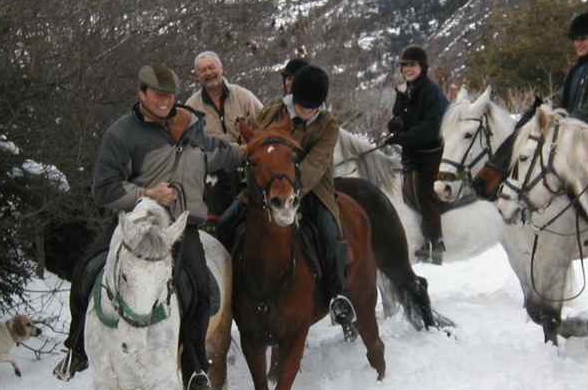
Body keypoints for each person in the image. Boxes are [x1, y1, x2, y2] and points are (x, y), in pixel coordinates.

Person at [54, 64, 243, 390]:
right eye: (157, 94)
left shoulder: (192, 128)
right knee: (88, 269)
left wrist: (259, 150)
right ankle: (76, 347)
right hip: (135, 226)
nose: (164, 101)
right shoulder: (121, 134)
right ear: (141, 94)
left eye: (169, 95)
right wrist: (146, 194)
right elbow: (104, 189)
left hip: (183, 228)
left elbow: (223, 154)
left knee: (200, 289)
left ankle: (195, 369)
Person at [218, 64, 357, 327]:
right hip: (266, 185)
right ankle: (226, 293)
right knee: (225, 222)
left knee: (330, 232)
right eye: (303, 106)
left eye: (312, 108)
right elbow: (254, 145)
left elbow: (317, 162)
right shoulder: (272, 110)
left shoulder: (328, 124)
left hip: (311, 187)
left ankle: (338, 295)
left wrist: (292, 190)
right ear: (292, 94)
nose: (306, 112)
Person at [385, 44, 449, 265]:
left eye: (411, 65)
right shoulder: (405, 90)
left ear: (422, 66)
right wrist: (396, 123)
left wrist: (404, 137)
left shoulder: (432, 93)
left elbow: (432, 127)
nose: (407, 70)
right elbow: (399, 116)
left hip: (431, 155)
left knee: (425, 192)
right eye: (404, 66)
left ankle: (435, 242)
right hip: (412, 155)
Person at [185, 51, 263, 230]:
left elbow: (264, 125)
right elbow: (188, 144)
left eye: (212, 67)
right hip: (214, 169)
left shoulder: (243, 96)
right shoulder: (191, 106)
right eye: (202, 70)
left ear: (222, 68)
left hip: (246, 161)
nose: (208, 73)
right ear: (197, 75)